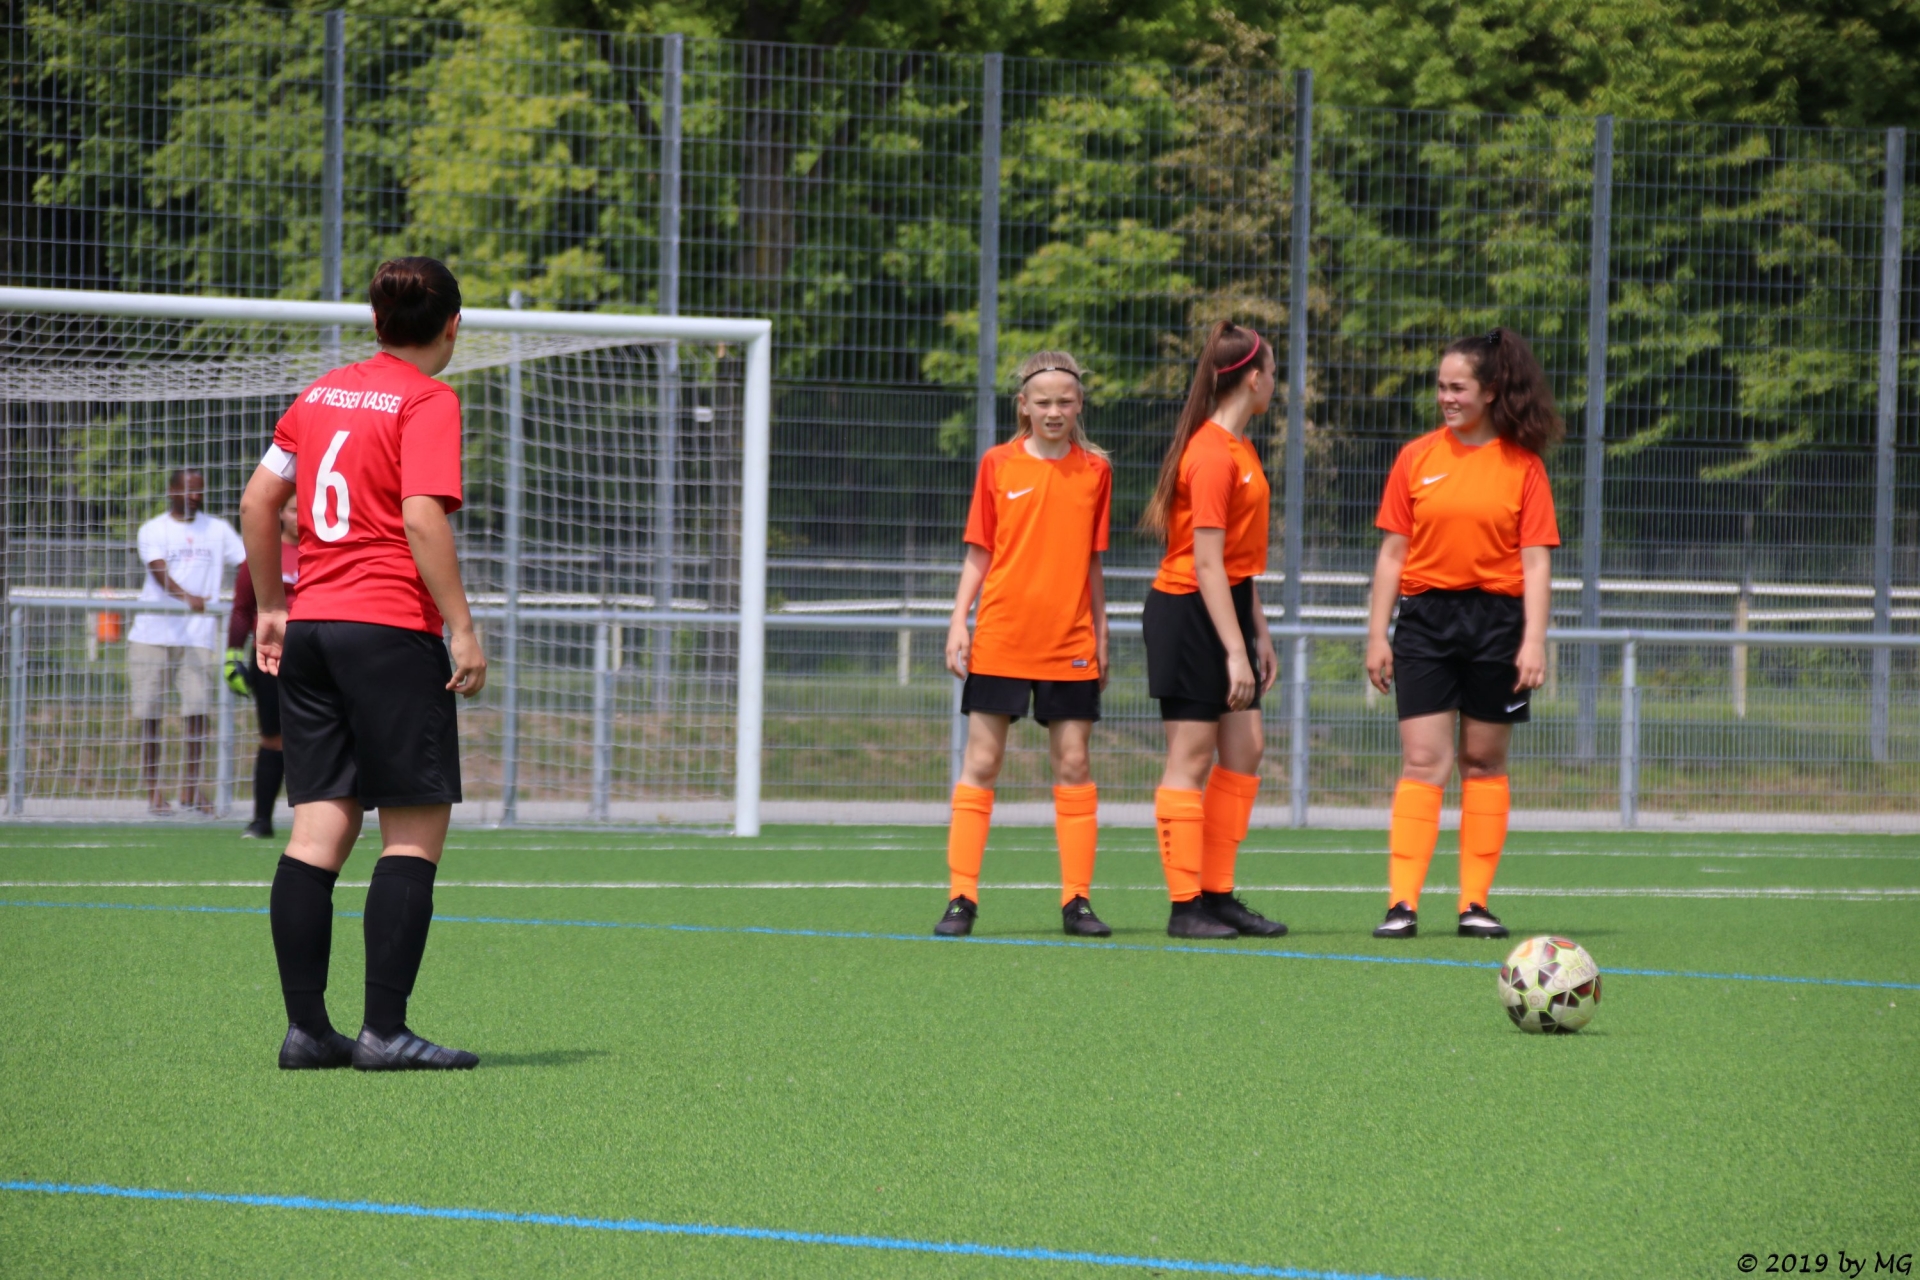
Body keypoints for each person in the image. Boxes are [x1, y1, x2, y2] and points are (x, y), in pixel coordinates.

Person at [239, 256, 487, 1071]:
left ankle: (308, 1030)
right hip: (388, 630)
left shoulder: (319, 395)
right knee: (411, 833)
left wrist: (272, 605)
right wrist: (461, 627)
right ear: (452, 325)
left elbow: (258, 501)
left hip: (312, 629)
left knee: (318, 831)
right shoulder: (428, 400)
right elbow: (420, 517)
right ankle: (384, 1031)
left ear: (376, 323)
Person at [1363, 326, 1561, 940]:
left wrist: (1534, 640)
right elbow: (1392, 555)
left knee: (1484, 761)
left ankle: (1474, 904)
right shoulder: (1416, 458)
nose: (1446, 397)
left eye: (1458, 387)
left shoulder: (1524, 466)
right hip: (1425, 622)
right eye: (1441, 386)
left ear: (1491, 390)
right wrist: (1377, 635)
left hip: (1499, 625)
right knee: (1424, 761)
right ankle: (1402, 904)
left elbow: (1536, 563)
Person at [939, 351, 1113, 939]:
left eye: (1065, 401)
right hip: (1002, 637)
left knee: (1074, 763)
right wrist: (959, 620)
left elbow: (1092, 562)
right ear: (1024, 406)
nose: (1054, 411)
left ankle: (1077, 902)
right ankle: (961, 898)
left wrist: (1102, 633)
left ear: (1079, 404)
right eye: (1043, 402)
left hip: (1070, 641)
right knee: (982, 762)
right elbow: (979, 552)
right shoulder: (997, 464)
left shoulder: (1095, 471)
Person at [1140, 321, 1288, 941]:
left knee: (1245, 748)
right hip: (1187, 613)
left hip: (1227, 607)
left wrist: (1258, 634)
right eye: (1273, 373)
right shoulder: (1209, 452)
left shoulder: (1241, 446)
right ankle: (1185, 907)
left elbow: (1235, 563)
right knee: (1192, 758)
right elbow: (1204, 563)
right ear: (1253, 378)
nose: (1276, 383)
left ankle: (1218, 894)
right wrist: (1234, 652)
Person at [129, 468, 246, 816]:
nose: (195, 497)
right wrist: (187, 596)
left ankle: (191, 789)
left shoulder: (218, 529)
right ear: (172, 491)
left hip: (198, 638)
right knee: (150, 715)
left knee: (198, 713)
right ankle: (154, 791)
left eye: (199, 491)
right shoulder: (153, 529)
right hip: (152, 635)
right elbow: (158, 570)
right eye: (189, 490)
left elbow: (246, 563)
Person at [225, 493, 300, 839]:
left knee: (329, 737)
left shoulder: (326, 554)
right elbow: (242, 608)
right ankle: (261, 821)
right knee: (273, 738)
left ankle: (333, 820)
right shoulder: (263, 553)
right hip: (271, 659)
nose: (300, 517)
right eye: (294, 510)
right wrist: (232, 655)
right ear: (280, 513)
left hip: (319, 658)